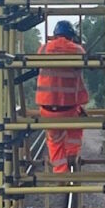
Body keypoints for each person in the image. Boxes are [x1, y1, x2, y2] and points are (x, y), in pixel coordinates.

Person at [36, 20, 89, 173]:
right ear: (71, 36)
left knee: (54, 139)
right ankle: (72, 153)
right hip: (69, 110)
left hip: (47, 110)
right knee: (76, 125)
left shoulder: (44, 49)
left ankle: (60, 171)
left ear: (54, 35)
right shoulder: (78, 50)